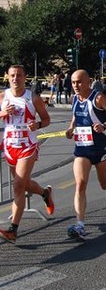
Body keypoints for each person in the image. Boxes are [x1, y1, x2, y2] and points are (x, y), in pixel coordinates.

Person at [65, 69, 106, 241]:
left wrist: (104, 126)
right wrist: (71, 129)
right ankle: (80, 225)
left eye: (79, 82)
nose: (76, 86)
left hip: (99, 148)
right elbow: (75, 117)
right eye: (73, 82)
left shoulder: (98, 98)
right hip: (82, 149)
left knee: (105, 183)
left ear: (88, 82)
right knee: (80, 183)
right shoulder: (74, 99)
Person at [0, 64, 54, 244]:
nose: (16, 78)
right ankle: (45, 193)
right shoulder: (2, 97)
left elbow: (46, 119)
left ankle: (13, 230)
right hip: (9, 146)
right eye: (12, 75)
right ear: (7, 77)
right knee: (23, 184)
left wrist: (37, 125)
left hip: (27, 146)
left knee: (17, 186)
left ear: (25, 77)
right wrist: (2, 113)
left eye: (19, 75)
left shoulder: (33, 98)